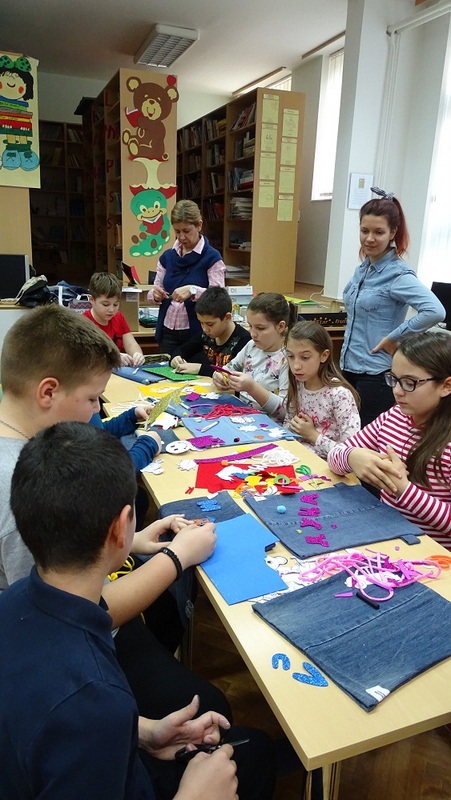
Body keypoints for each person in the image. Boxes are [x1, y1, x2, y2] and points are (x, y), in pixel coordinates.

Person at [0, 304, 276, 799]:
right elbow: (82, 608)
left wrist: (140, 731)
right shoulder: (93, 696)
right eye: (93, 399)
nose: (96, 414)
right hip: (82, 684)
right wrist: (174, 558)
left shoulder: (23, 604)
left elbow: (56, 595)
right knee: (246, 746)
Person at [0, 421, 239, 800]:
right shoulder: (97, 698)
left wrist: (142, 733)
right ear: (121, 527)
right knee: (252, 758)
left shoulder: (12, 603)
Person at [328, 331, 451, 551]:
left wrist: (404, 490)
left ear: (446, 386)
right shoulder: (393, 417)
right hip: (387, 540)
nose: (397, 391)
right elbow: (334, 455)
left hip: (432, 557)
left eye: (410, 382)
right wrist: (353, 457)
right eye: (394, 379)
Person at [340, 186, 445, 428]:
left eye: (378, 232)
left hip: (376, 374)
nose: (369, 238)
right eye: (364, 230)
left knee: (368, 438)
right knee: (347, 433)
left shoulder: (398, 274)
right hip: (348, 366)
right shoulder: (362, 269)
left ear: (392, 232)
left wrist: (393, 338)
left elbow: (435, 311)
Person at [149, 200, 226, 356]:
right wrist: (155, 294)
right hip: (167, 330)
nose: (181, 237)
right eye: (177, 231)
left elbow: (218, 297)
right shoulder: (167, 257)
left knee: (193, 369)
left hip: (197, 333)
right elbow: (155, 290)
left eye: (186, 231)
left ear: (199, 225)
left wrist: (192, 290)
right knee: (166, 369)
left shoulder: (212, 257)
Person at [212, 292, 298, 421]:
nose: (253, 334)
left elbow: (285, 412)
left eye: (260, 328)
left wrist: (252, 388)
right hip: (242, 417)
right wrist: (219, 376)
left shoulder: (289, 358)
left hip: (270, 425)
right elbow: (227, 369)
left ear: (281, 326)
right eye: (250, 326)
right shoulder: (251, 346)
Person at [283, 320, 360, 457]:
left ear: (324, 355)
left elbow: (350, 453)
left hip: (328, 464)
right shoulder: (298, 384)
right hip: (297, 457)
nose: (296, 366)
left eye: (305, 357)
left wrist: (312, 435)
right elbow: (288, 425)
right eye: (290, 356)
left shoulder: (339, 395)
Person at [170, 286, 250, 376]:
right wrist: (176, 358)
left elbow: (234, 374)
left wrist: (200, 369)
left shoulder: (244, 341)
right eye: (201, 323)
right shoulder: (206, 335)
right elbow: (181, 350)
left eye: (210, 324)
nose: (205, 329)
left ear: (227, 318)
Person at [84, 271, 145, 366]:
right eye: (105, 304)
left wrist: (137, 355)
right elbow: (87, 357)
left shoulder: (118, 317)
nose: (111, 310)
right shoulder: (84, 323)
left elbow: (131, 344)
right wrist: (114, 358)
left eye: (116, 304)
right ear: (91, 299)